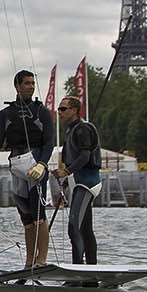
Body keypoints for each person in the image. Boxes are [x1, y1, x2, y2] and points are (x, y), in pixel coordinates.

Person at [0, 69, 53, 269]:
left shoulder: (42, 112)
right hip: (17, 166)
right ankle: (29, 261)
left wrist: (42, 164)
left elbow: (49, 143)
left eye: (32, 83)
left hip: (36, 164)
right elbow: (0, 143)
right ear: (17, 86)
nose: (30, 86)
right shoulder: (5, 114)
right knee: (26, 218)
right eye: (27, 83)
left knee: (39, 216)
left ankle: (42, 260)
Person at [54, 96, 101, 265]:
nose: (59, 112)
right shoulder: (73, 130)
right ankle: (91, 270)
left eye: (63, 109)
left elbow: (85, 156)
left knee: (73, 227)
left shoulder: (82, 129)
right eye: (59, 109)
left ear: (74, 110)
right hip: (79, 182)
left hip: (87, 183)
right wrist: (66, 182)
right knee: (85, 229)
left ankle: (79, 270)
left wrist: (65, 171)